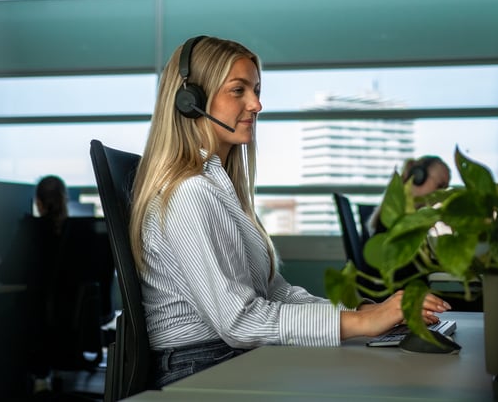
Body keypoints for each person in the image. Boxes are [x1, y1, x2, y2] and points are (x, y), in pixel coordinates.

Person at [129, 35, 452, 389]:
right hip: (200, 366)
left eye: (256, 89)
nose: (257, 104)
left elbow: (276, 292)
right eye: (239, 90)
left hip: (224, 356)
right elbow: (239, 322)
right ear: (191, 102)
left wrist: (362, 312)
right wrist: (361, 326)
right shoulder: (189, 193)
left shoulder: (217, 188)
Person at [0, 175, 70, 394]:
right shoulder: (74, 232)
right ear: (64, 200)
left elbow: (6, 272)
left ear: (38, 202)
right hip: (68, 322)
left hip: (36, 321)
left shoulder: (31, 228)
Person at [366, 155, 452, 238]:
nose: (443, 193)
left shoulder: (423, 221)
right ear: (419, 176)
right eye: (441, 186)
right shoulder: (394, 219)